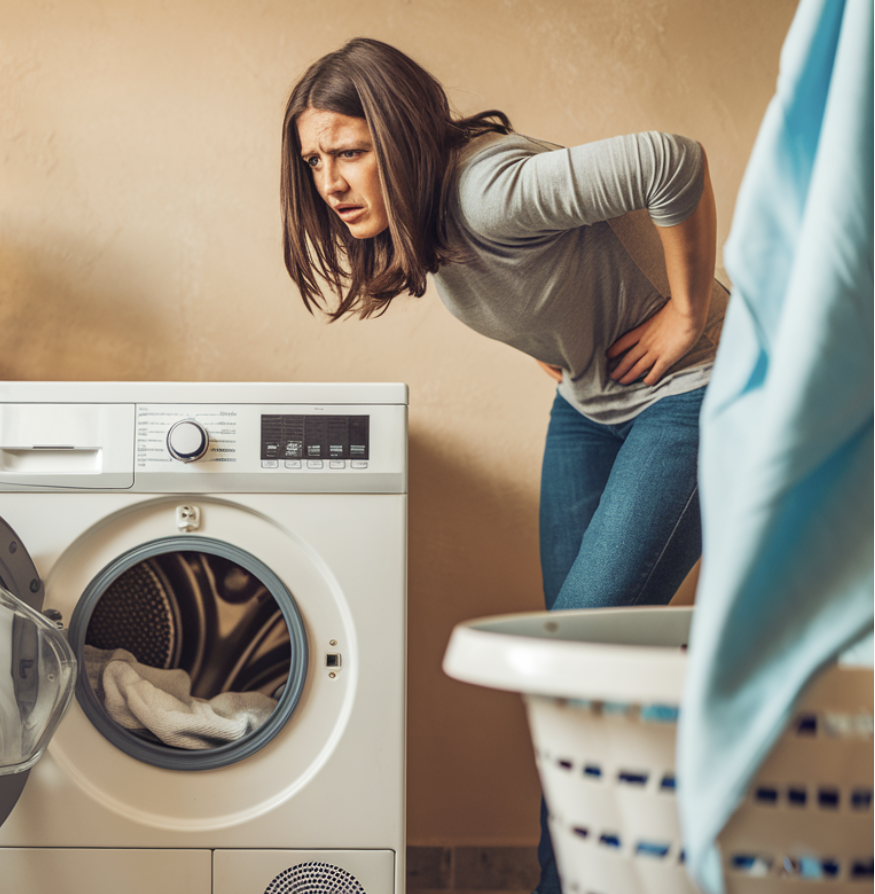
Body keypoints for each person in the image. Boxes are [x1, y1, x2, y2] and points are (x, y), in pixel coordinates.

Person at [280, 37, 727, 894]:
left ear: (402, 134)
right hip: (595, 408)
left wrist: (686, 310)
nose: (329, 183)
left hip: (696, 387)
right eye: (313, 160)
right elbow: (544, 285)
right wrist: (552, 341)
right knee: (569, 673)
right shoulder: (435, 225)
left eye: (349, 151)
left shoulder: (484, 192)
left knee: (581, 649)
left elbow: (674, 162)